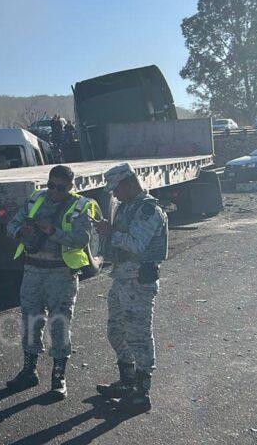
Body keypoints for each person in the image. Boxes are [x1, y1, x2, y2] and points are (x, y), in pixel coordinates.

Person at [5, 165, 100, 399]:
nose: (54, 191)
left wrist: (52, 231)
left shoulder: (79, 206)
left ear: (70, 186)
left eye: (60, 188)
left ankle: (58, 377)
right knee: (30, 321)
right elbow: (11, 225)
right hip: (33, 270)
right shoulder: (35, 200)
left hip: (61, 274)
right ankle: (29, 371)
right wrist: (21, 232)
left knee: (59, 325)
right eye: (51, 185)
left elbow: (81, 239)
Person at [94, 163, 168, 413]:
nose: (114, 194)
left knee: (139, 335)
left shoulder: (148, 210)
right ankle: (127, 380)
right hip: (121, 278)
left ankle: (142, 391)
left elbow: (136, 244)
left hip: (138, 281)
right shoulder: (126, 207)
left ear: (129, 184)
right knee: (116, 330)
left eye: (116, 188)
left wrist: (110, 232)